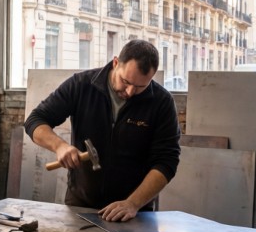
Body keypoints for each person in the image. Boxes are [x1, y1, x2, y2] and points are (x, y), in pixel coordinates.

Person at [24, 39, 180, 222]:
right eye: (126, 81)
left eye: (140, 87)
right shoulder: (82, 85)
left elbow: (166, 161)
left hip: (134, 213)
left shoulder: (161, 102)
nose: (130, 92)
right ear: (115, 63)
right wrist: (59, 146)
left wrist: (133, 203)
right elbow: (35, 120)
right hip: (81, 205)